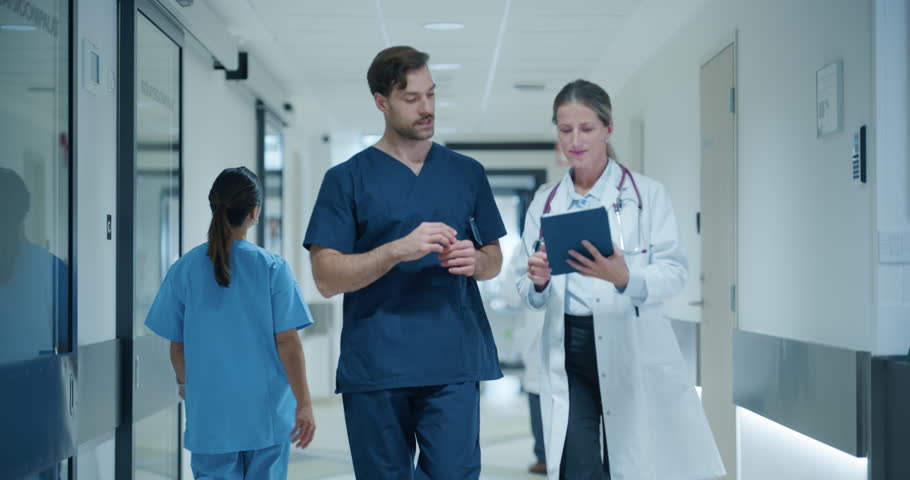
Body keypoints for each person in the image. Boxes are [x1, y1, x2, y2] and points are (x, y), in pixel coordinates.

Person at [304, 46, 506, 479]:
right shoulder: (346, 180)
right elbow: (325, 277)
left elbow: (494, 260)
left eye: (431, 94)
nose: (427, 108)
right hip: (377, 365)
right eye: (412, 98)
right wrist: (396, 249)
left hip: (452, 361)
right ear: (381, 102)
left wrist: (476, 260)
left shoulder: (467, 173)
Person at [514, 80, 725, 479]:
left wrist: (625, 277)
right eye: (565, 129)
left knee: (628, 464)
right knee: (577, 467)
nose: (575, 140)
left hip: (630, 341)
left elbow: (675, 273)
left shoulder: (647, 195)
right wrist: (538, 281)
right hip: (569, 348)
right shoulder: (544, 202)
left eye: (586, 129)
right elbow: (527, 290)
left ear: (608, 129)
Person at [145, 167, 316, 479]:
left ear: (215, 207)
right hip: (266, 416)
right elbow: (288, 343)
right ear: (254, 212)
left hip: (211, 418)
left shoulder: (184, 269)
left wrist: (187, 384)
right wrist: (304, 404)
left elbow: (177, 347)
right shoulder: (272, 268)